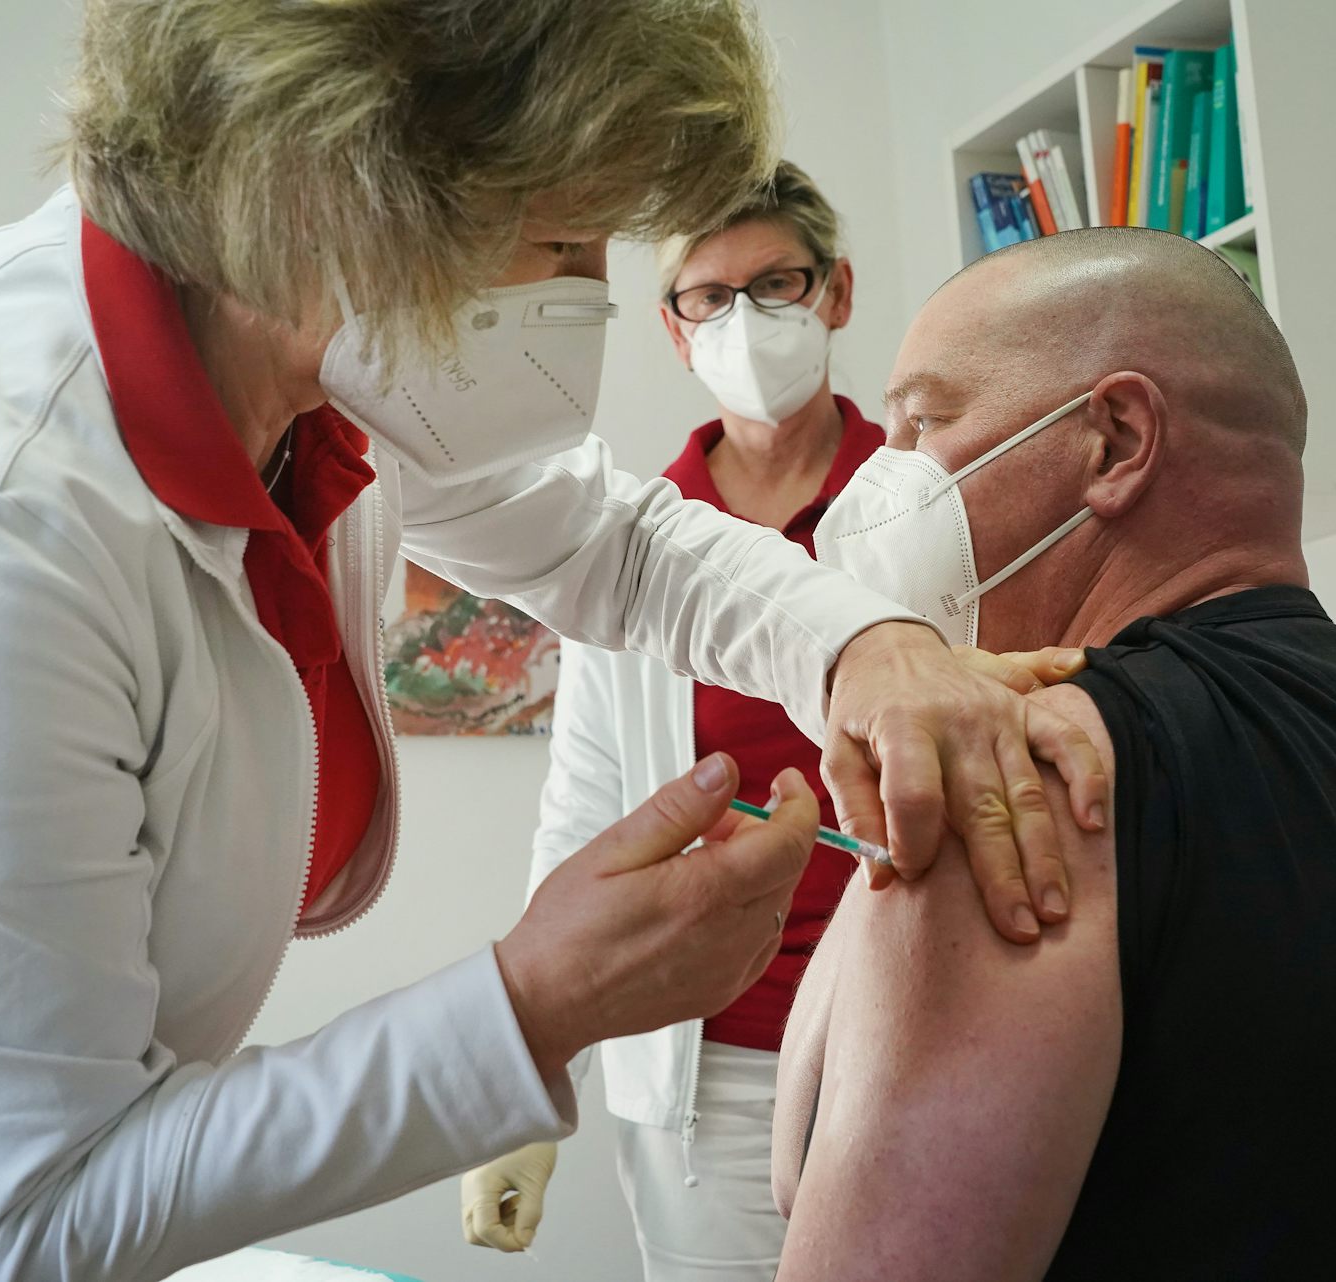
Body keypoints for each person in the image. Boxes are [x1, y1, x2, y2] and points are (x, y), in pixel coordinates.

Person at [0, 6, 1116, 1280]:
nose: (585, 306)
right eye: (565, 240)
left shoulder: (307, 354)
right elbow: (52, 1205)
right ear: (336, 182)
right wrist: (534, 1008)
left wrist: (860, 646)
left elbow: (617, 544)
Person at [771, 228, 1336, 1280]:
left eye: (924, 422)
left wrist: (908, 771)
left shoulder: (1022, 779)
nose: (876, 491)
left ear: (1113, 441)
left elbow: (806, 1189)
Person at [458, 162, 1068, 1278]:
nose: (744, 319)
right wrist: (532, 1087)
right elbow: (586, 819)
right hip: (714, 1070)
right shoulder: (633, 544)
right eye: (708, 294)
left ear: (834, 292)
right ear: (673, 326)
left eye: (775, 284)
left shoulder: (930, 508)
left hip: (927, 1031)